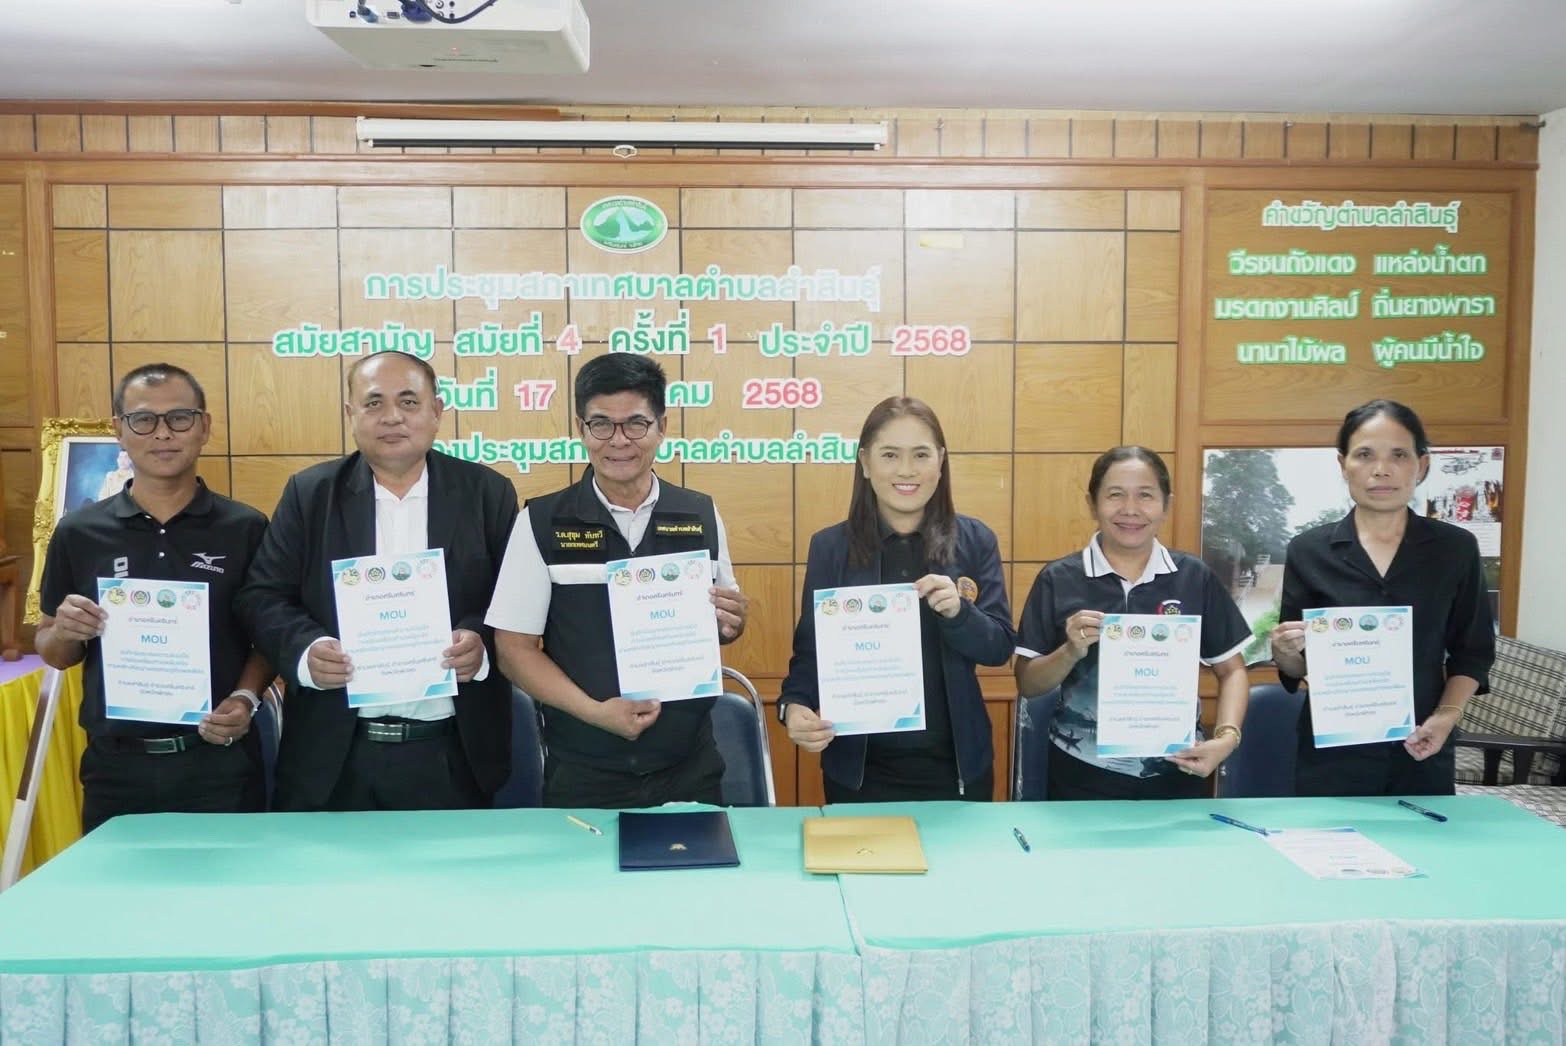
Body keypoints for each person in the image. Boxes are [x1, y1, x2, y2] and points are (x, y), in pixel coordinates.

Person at [235, 350, 518, 811]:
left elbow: (511, 600)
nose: (392, 417)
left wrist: (480, 642)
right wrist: (306, 650)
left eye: (408, 402)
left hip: (453, 751)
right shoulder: (310, 494)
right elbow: (262, 595)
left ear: (436, 412)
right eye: (373, 403)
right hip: (334, 755)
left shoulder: (487, 492)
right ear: (350, 414)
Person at [487, 354, 749, 808]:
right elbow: (513, 651)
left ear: (662, 426)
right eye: (602, 425)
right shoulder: (541, 522)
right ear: (581, 428)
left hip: (690, 767)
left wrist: (732, 621)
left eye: (636, 424)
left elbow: (723, 622)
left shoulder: (700, 513)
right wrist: (596, 715)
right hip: (583, 769)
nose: (619, 441)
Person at [36, 363, 271, 832]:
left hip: (219, 763)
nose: (162, 434)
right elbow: (54, 651)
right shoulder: (80, 532)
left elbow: (266, 637)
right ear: (119, 430)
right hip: (117, 767)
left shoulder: (246, 528)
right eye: (143, 420)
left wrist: (245, 698)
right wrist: (63, 630)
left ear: (204, 427)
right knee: (123, 901)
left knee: (228, 897)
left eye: (179, 418)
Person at [777, 397, 1014, 801]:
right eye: (890, 455)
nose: (906, 470)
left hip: (956, 770)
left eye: (921, 455)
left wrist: (959, 612)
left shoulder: (975, 541)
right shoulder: (831, 547)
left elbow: (999, 648)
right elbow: (810, 654)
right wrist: (793, 706)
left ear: (940, 461)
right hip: (859, 773)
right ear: (866, 463)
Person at [1269, 399, 1494, 796]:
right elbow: (1296, 662)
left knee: (1425, 855)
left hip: (1421, 744)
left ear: (1421, 465)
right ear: (1343, 465)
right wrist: (1285, 653)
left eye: (1399, 455)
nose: (1381, 469)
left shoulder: (1455, 549)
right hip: (1331, 754)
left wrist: (1446, 716)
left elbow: (1472, 651)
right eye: (1365, 454)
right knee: (1328, 854)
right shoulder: (1309, 549)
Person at [1015, 446, 1250, 799]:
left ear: (1166, 504)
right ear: (1092, 503)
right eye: (1114, 495)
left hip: (1179, 768)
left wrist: (1226, 739)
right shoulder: (1059, 578)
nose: (1130, 509)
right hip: (1081, 776)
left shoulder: (1193, 577)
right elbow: (1028, 683)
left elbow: (1232, 671)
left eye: (1145, 496)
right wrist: (1069, 652)